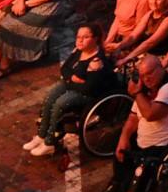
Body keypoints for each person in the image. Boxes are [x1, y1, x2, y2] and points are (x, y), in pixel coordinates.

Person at [100, 54, 168, 192]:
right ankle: (119, 184)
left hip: (167, 143)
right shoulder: (145, 88)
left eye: (150, 73)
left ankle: (128, 190)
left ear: (161, 68)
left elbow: (150, 114)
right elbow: (134, 116)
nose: (146, 79)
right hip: (146, 141)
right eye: (142, 75)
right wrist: (124, 137)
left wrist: (136, 93)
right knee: (117, 142)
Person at [25, 24, 116, 157]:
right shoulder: (78, 50)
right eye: (78, 37)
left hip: (87, 94)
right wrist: (71, 78)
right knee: (49, 97)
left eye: (85, 37)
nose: (80, 40)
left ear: (95, 39)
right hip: (72, 84)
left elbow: (88, 88)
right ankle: (41, 134)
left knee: (60, 104)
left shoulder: (96, 61)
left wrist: (68, 81)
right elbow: (65, 68)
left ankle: (50, 142)